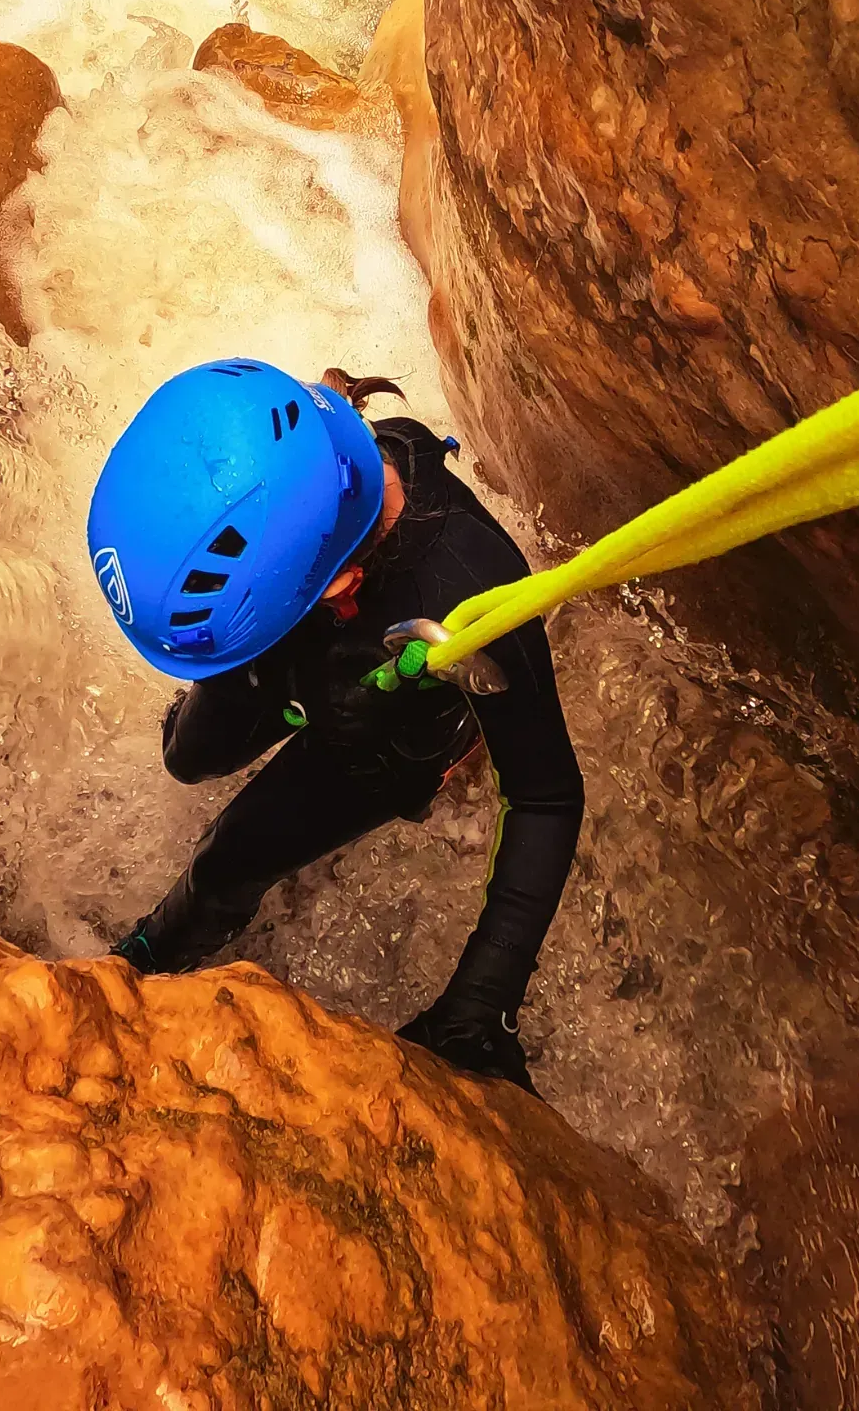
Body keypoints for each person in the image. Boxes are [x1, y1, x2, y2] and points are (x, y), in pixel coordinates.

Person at [86, 358, 586, 1093]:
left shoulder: (468, 591)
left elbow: (547, 797)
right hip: (298, 647)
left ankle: (148, 957)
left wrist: (482, 1000)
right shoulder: (297, 463)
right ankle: (271, 683)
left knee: (231, 856)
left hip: (390, 724)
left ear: (345, 583)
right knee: (186, 757)